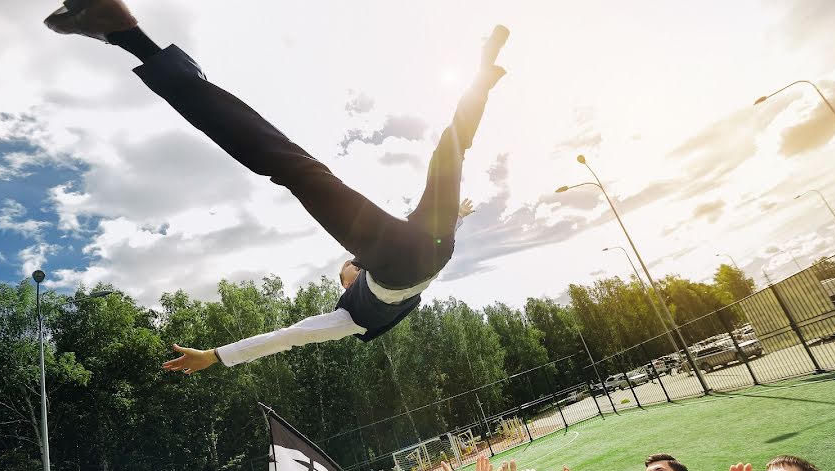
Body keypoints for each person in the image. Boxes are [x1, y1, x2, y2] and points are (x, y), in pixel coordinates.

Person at [42, 0, 508, 374]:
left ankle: (127, 35)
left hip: (420, 244)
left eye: (345, 271)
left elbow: (288, 334)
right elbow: (288, 338)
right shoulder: (352, 315)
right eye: (346, 272)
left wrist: (218, 354)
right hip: (428, 244)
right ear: (355, 277)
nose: (344, 272)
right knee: (440, 150)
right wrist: (458, 216)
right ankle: (483, 74)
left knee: (311, 166)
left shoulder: (357, 302)